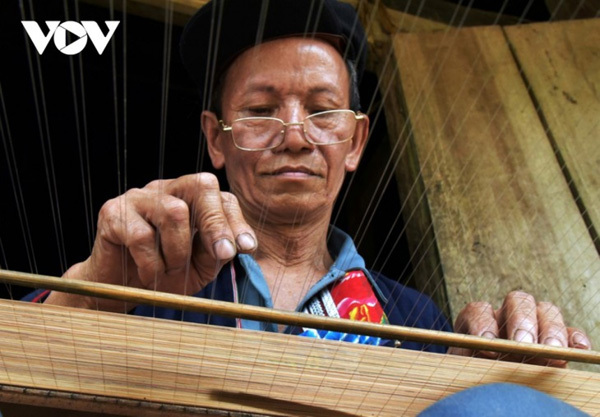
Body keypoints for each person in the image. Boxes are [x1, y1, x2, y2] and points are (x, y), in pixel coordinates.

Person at [26, 0, 590, 361]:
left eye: (322, 110)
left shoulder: (414, 318)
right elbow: (20, 361)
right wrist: (93, 287)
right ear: (216, 139)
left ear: (357, 142)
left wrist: (488, 380)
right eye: (260, 110)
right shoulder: (150, 269)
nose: (295, 136)